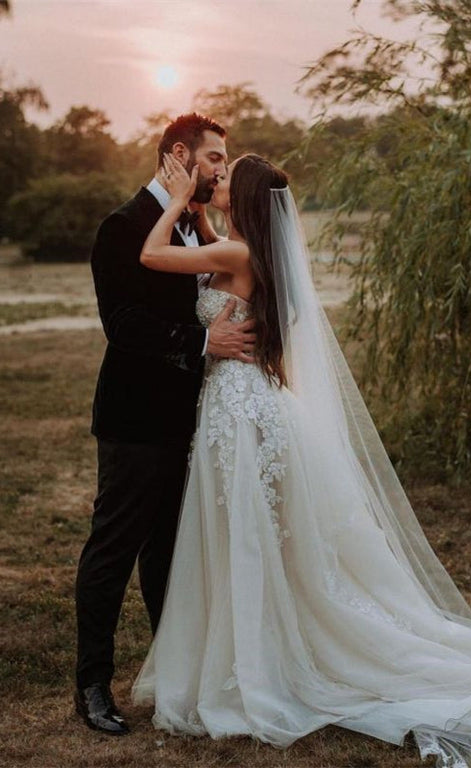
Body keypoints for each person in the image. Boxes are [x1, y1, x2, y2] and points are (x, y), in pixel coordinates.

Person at [132, 152, 471, 768]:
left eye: (226, 177)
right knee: (251, 535)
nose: (214, 179)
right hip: (249, 404)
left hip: (237, 409)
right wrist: (204, 215)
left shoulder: (236, 254)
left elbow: (152, 255)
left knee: (244, 536)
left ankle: (256, 665)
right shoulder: (250, 249)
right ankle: (254, 650)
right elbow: (214, 252)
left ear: (249, 198)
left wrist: (175, 201)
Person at [74, 113, 256, 735]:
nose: (218, 170)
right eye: (213, 159)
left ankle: (174, 673)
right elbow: (123, 326)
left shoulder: (190, 224)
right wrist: (205, 340)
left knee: (171, 556)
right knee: (114, 548)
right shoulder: (122, 227)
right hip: (134, 420)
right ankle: (93, 686)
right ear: (180, 155)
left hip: (193, 422)